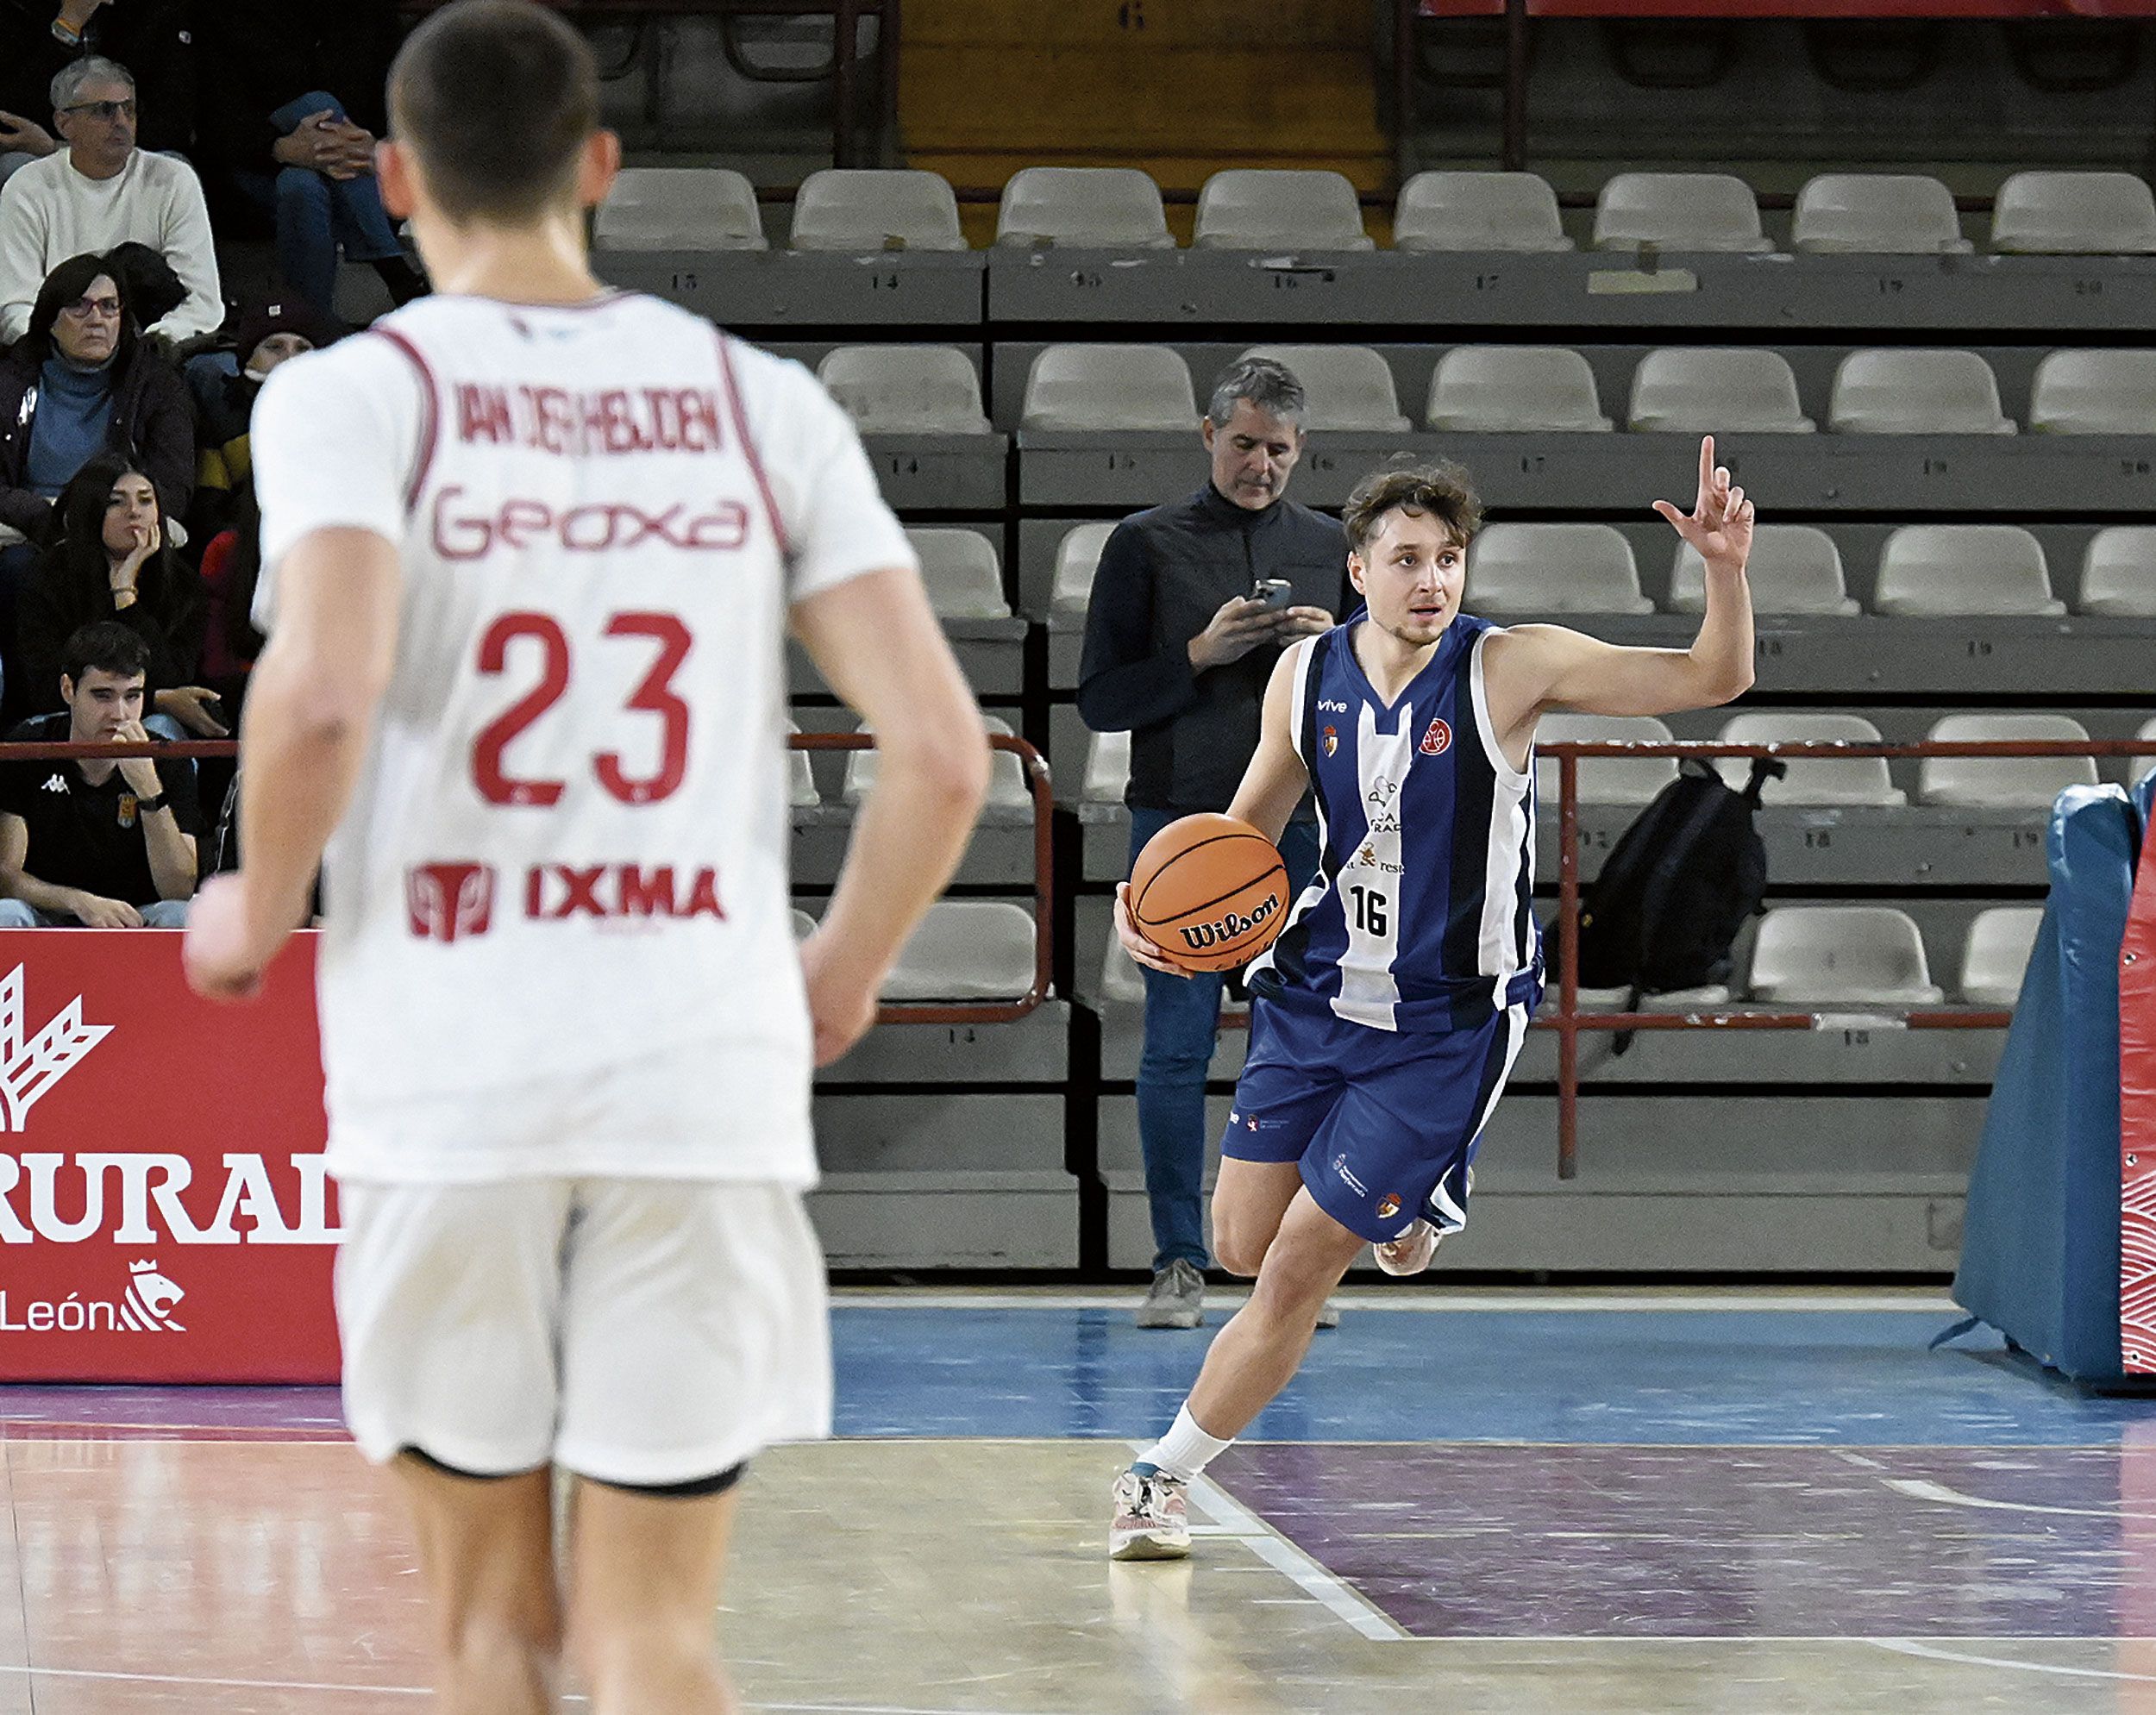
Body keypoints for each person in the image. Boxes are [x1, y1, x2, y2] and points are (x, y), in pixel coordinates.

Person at [182, 6, 990, 1714]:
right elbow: (936, 752)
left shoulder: (352, 393)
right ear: (600, 168)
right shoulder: (755, 399)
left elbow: (319, 687)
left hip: (448, 1076)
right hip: (695, 1071)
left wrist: (251, 906)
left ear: (395, 182)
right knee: (653, 1643)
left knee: (490, 1637)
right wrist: (833, 976)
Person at [1106, 441, 1758, 1561]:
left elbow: (1711, 679)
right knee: (1235, 1240)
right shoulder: (1303, 676)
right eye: (1406, 558)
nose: (1431, 581)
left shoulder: (1510, 666)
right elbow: (1243, 837)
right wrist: (1158, 919)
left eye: (1448, 559)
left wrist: (1725, 569)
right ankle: (1408, 1205)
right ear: (1357, 569)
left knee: (1302, 1263)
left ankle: (1160, 1475)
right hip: (1315, 995)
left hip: (1444, 1026)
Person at [1077, 354, 1345, 1330]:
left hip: (1308, 825)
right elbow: (1101, 700)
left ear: (1299, 449)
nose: (1260, 467)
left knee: (1311, 1047)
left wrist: (1338, 650)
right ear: (1207, 436)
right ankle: (1178, 1263)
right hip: (1183, 828)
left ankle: (1294, 1268)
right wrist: (1200, 653)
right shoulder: (1144, 543)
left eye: (1277, 451)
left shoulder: (1331, 545)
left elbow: (1387, 693)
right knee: (1176, 1051)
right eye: (1242, 446)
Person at [196, 3, 425, 322]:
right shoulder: (230, 13)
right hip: (256, 167)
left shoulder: (368, 12)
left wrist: (374, 146)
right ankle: (391, 264)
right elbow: (216, 120)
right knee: (318, 105)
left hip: (350, 170)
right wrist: (282, 148)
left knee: (301, 184)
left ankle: (310, 328)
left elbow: (395, 98)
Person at [0, 56, 222, 347]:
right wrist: (76, 345)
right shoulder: (28, 187)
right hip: (57, 354)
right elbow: (14, 307)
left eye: (129, 109)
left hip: (151, 354)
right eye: (104, 111)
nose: (121, 122)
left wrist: (143, 349)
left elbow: (203, 302)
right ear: (64, 123)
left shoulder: (173, 180)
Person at [0, 618, 197, 927]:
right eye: (103, 695)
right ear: (68, 689)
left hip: (133, 916)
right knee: (7, 914)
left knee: (181, 916)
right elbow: (6, 876)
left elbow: (179, 889)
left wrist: (149, 790)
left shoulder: (168, 759)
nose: (119, 714)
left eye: (133, 696)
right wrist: (79, 901)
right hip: (50, 912)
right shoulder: (28, 748)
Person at [20, 457, 219, 736]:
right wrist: (157, 699)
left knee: (160, 729)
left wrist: (125, 594)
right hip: (64, 717)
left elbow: (171, 677)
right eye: (116, 502)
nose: (134, 512)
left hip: (147, 723)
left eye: (145, 500)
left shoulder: (183, 586)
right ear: (90, 511)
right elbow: (45, 688)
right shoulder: (48, 577)